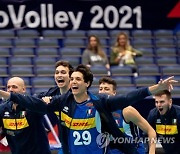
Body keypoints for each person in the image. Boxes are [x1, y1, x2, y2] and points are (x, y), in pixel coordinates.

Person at [0, 65, 177, 154]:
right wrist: (6, 94)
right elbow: (36, 104)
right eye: (72, 79)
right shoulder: (62, 101)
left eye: (78, 79)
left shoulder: (100, 101)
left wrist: (153, 89)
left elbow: (127, 98)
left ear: (87, 83)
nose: (74, 81)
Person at [98, 77, 156, 154]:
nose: (102, 92)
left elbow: (150, 131)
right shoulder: (96, 112)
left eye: (106, 89)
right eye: (101, 89)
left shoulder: (127, 111)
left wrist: (152, 152)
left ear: (114, 93)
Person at [0, 77, 51, 154]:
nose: (10, 89)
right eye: (8, 87)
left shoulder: (32, 106)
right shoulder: (3, 108)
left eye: (14, 87)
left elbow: (44, 108)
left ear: (23, 89)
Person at [36, 60, 74, 153]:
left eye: (63, 72)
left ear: (70, 77)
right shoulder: (52, 92)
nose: (59, 75)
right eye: (57, 73)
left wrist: (52, 101)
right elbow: (36, 98)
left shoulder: (76, 93)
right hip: (64, 143)